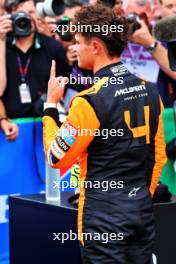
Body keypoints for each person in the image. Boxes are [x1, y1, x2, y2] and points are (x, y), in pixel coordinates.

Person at [43, 4, 167, 264]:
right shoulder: (150, 90)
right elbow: (158, 158)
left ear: (96, 46)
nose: (75, 49)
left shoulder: (89, 101)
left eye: (78, 42)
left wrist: (50, 107)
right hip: (141, 213)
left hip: (102, 221)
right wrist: (140, 197)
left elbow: (57, 158)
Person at [0, 0, 70, 140]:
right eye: (21, 14)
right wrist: (1, 40)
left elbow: (64, 87)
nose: (26, 17)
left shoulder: (53, 47)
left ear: (39, 14)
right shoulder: (3, 46)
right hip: (13, 127)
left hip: (47, 123)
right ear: (10, 17)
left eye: (31, 12)